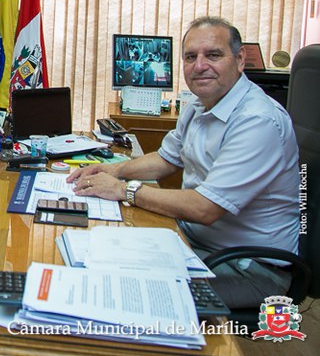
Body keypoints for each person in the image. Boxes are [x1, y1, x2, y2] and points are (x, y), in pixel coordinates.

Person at [68, 17, 300, 308]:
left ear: (240, 60)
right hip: (196, 243)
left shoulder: (257, 120)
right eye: (191, 57)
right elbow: (166, 159)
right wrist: (113, 169)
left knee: (125, 290)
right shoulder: (200, 104)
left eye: (213, 55)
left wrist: (123, 190)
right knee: (100, 252)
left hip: (250, 269)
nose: (199, 65)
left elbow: (204, 208)